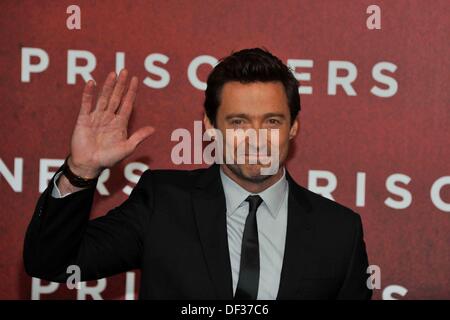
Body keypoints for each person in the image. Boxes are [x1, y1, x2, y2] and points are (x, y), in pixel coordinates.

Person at [24, 48, 372, 300]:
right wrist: (81, 170)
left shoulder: (339, 232)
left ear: (293, 127)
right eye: (238, 122)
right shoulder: (163, 202)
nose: (256, 138)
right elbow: (52, 263)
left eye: (272, 121)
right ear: (210, 126)